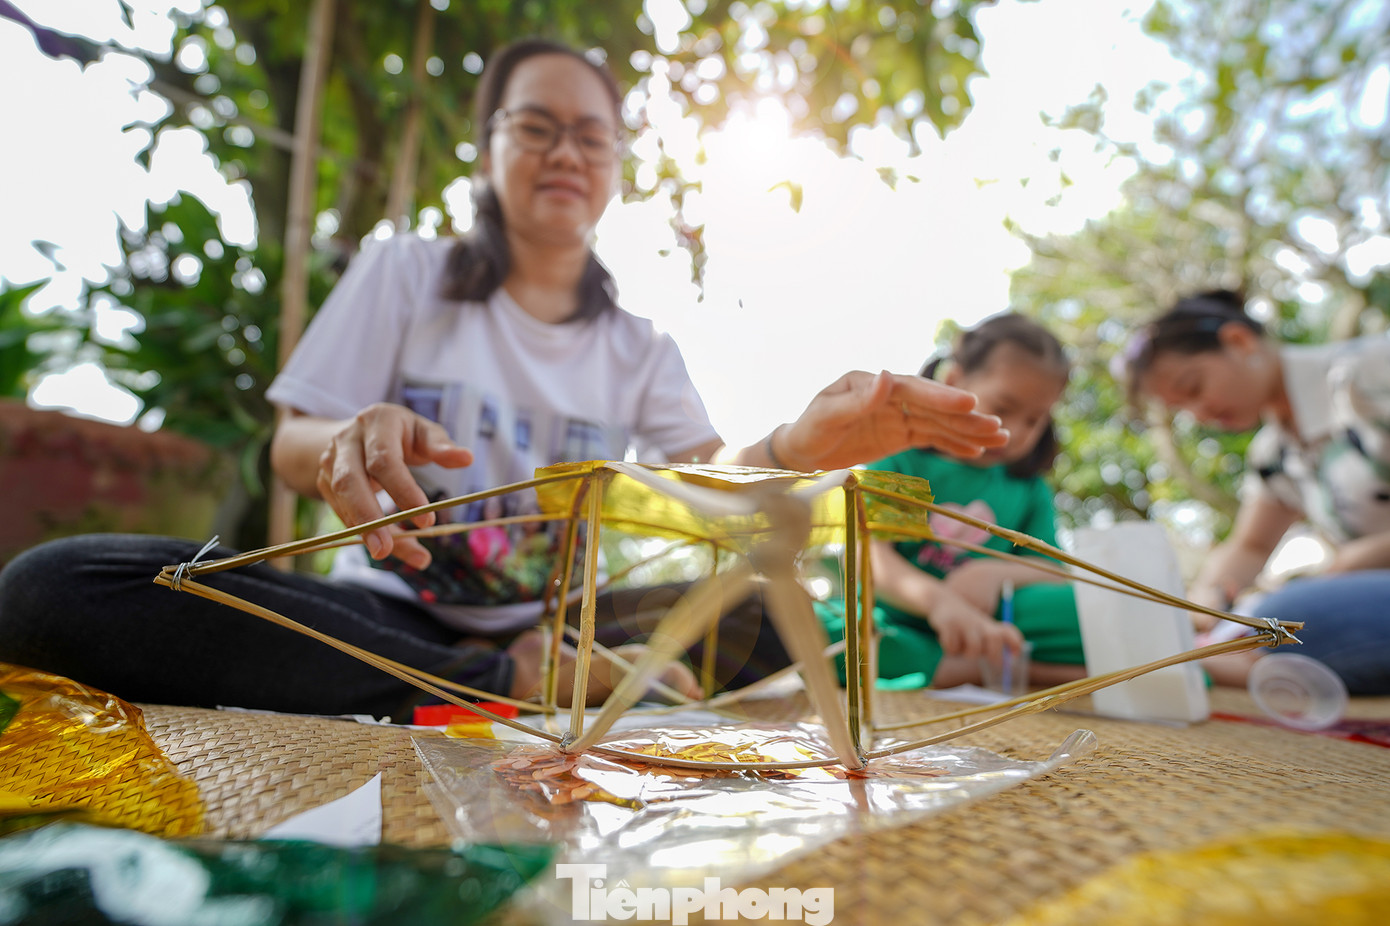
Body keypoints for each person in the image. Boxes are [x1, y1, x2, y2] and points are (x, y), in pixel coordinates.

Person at [0, 38, 1007, 721]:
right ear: (487, 153)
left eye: (591, 135)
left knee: (770, 600)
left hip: (569, 625)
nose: (565, 152)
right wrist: (349, 437)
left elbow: (710, 491)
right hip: (385, 616)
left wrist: (792, 449)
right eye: (536, 127)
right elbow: (292, 441)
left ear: (615, 167)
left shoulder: (640, 345)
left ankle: (507, 679)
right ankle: (492, 687)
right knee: (57, 587)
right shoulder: (405, 272)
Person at [1123, 289, 1390, 695]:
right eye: (1183, 409)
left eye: (1194, 387)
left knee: (1285, 617)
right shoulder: (1273, 453)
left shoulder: (1372, 371)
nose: (1200, 415)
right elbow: (1250, 545)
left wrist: (1361, 558)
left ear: (1239, 341)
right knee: (1269, 623)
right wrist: (1205, 603)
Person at [817, 313, 1087, 690]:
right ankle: (981, 670)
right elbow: (870, 557)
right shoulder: (902, 459)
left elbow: (1052, 568)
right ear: (954, 382)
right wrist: (940, 603)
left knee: (1092, 613)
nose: (1014, 433)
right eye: (1002, 408)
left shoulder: (1026, 486)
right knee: (812, 629)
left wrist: (991, 574)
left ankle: (968, 664)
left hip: (990, 625)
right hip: (892, 621)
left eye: (1033, 419)